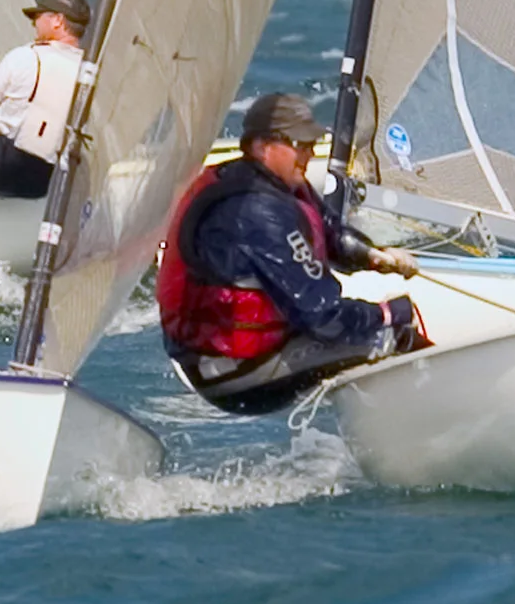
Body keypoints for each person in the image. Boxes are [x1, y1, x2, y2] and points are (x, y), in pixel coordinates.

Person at [156, 91, 428, 415]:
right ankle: (436, 429)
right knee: (396, 337)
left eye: (312, 143)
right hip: (232, 371)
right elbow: (324, 318)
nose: (309, 152)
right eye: (300, 144)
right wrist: (386, 313)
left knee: (375, 329)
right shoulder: (256, 211)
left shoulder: (279, 184)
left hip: (258, 349)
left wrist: (374, 255)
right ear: (262, 147)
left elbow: (329, 232)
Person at [0, 0, 89, 199]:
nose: (34, 23)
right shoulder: (88, 73)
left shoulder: (24, 56)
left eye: (39, 16)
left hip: (1, 171)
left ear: (57, 20)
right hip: (44, 183)